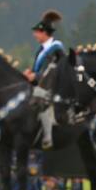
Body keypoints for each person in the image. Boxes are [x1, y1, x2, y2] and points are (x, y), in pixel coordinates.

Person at [22, 9, 64, 149]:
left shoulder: (56, 49)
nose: (35, 35)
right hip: (40, 84)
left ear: (44, 33)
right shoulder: (41, 50)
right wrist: (31, 73)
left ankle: (47, 136)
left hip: (51, 87)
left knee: (39, 100)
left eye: (37, 32)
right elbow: (39, 70)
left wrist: (36, 76)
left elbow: (55, 70)